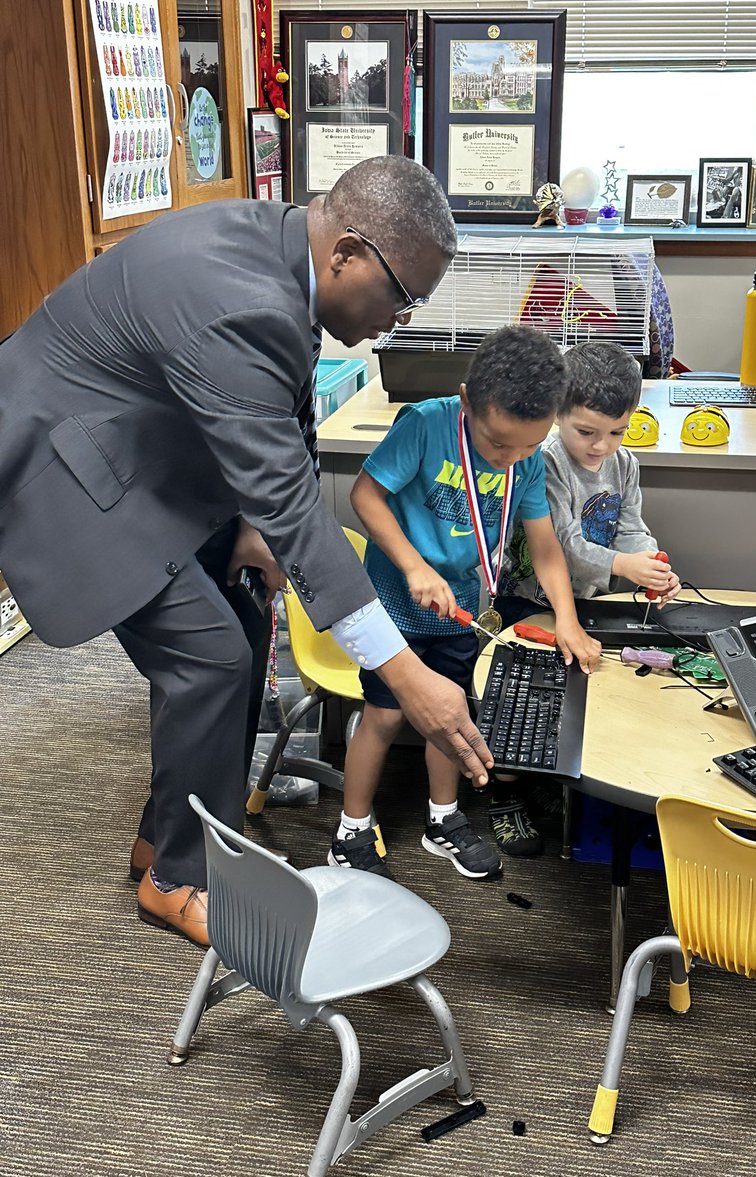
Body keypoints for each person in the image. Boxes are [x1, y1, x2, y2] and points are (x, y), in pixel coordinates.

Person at [0, 156, 494, 947]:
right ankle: (177, 880)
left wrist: (255, 530)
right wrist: (404, 673)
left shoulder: (286, 248)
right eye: (402, 297)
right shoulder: (237, 296)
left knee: (246, 616)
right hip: (67, 465)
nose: (400, 321)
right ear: (348, 254)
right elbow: (297, 511)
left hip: (143, 446)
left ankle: (167, 836)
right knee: (211, 657)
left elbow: (284, 402)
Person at [337, 325, 601, 879]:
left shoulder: (526, 458)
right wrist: (413, 566)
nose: (511, 458)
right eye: (498, 443)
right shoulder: (426, 425)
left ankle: (444, 818)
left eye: (528, 445)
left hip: (462, 610)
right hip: (395, 608)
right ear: (466, 402)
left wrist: (570, 622)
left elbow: (546, 545)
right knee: (384, 716)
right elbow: (364, 495)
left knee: (452, 713)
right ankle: (350, 830)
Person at [499, 339, 680, 627]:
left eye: (617, 432)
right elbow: (561, 545)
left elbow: (630, 529)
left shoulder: (624, 464)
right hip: (524, 602)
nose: (601, 445)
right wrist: (623, 564)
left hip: (584, 598)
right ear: (557, 412)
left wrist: (651, 565)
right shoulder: (545, 462)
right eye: (586, 431)